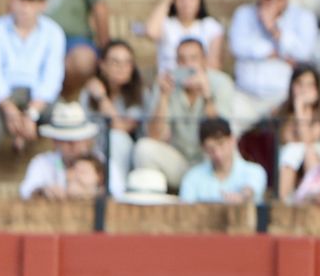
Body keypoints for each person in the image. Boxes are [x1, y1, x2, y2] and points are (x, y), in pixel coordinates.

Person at [0, 0, 66, 177]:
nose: (24, 8)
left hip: (39, 100)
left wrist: (31, 113)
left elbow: (52, 79)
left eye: (30, 2)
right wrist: (9, 109)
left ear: (42, 5)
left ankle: (64, 177)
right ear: (12, 0)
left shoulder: (54, 33)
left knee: (64, 119)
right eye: (21, 0)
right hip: (3, 98)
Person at [134, 37, 239, 191]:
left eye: (193, 59)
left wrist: (207, 96)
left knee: (225, 151)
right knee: (143, 149)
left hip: (209, 160)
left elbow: (221, 136)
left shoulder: (221, 83)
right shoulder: (166, 84)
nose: (188, 64)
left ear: (204, 61)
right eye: (182, 60)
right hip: (179, 160)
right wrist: (163, 97)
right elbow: (156, 136)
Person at [228, 0, 319, 121]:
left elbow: (304, 54)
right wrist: (278, 54)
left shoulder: (304, 18)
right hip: (245, 95)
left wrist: (273, 29)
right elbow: (237, 47)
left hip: (284, 97)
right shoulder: (243, 14)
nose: (273, 0)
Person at [79, 40, 145, 194]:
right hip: (95, 153)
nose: (122, 68)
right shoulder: (88, 94)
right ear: (102, 65)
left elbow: (120, 127)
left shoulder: (140, 95)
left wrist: (102, 98)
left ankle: (116, 192)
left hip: (129, 159)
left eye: (127, 63)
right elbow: (82, 129)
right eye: (115, 62)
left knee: (116, 138)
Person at [261, 62, 320, 199]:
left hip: (318, 161)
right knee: (292, 151)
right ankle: (284, 201)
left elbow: (308, 140)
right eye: (300, 84)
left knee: (310, 151)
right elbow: (286, 139)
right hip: (288, 163)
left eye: (309, 85)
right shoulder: (282, 112)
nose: (304, 90)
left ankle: (316, 194)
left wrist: (300, 109)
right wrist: (299, 108)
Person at [144, 0, 224, 77]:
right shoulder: (167, 24)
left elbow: (214, 64)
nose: (186, 2)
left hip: (198, 85)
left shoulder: (211, 26)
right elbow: (151, 32)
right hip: (168, 85)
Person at [18, 101, 99, 199]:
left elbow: (116, 193)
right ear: (55, 141)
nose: (72, 145)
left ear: (86, 140)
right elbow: (26, 191)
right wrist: (43, 192)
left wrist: (92, 194)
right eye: (66, 140)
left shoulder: (102, 162)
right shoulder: (42, 162)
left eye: (77, 139)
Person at [178, 116, 267, 203]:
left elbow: (250, 191)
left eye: (221, 144)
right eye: (210, 149)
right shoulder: (192, 177)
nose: (218, 154)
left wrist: (241, 197)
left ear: (232, 140)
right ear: (203, 148)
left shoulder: (254, 171)